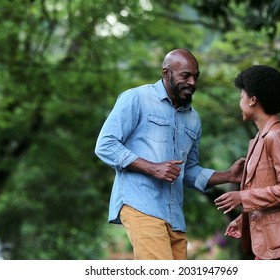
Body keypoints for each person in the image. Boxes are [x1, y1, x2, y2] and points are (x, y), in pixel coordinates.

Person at [95, 48, 245, 260]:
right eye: (185, 76)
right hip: (141, 205)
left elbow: (188, 170)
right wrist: (153, 168)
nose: (192, 82)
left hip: (175, 218)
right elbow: (105, 144)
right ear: (166, 74)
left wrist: (227, 176)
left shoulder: (193, 119)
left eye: (195, 77)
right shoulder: (136, 98)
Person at [214, 65, 280, 260]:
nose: (240, 102)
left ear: (253, 99)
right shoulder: (262, 137)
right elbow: (267, 188)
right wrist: (242, 219)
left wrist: (242, 197)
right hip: (276, 241)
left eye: (241, 96)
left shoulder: (277, 136)